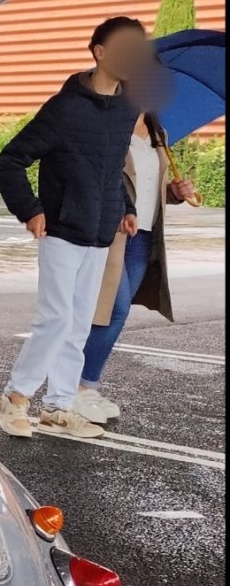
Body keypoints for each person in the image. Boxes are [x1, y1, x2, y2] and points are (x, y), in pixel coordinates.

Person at [0, 16, 149, 440]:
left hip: (101, 232)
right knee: (57, 318)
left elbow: (115, 166)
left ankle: (59, 407)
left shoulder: (127, 107)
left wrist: (127, 206)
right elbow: (11, 160)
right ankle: (16, 397)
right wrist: (30, 209)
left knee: (79, 322)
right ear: (100, 52)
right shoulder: (64, 108)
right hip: (61, 229)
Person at [73, 110, 195, 423]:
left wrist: (175, 194)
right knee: (112, 309)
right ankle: (78, 389)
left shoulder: (159, 132)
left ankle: (85, 386)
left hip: (144, 236)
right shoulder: (112, 123)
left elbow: (151, 186)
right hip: (113, 233)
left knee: (116, 310)